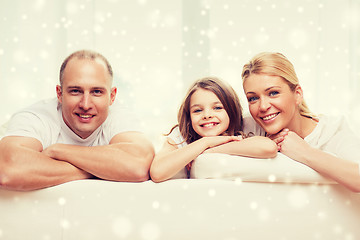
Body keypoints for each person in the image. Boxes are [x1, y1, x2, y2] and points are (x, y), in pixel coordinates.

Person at [0, 50, 155, 191]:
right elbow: (8, 171)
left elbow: (139, 167)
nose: (85, 104)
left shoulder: (119, 116)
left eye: (96, 92)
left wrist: (59, 151)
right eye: (75, 91)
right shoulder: (35, 117)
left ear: (112, 96)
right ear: (59, 94)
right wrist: (103, 169)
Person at [242, 51, 360, 192]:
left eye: (273, 93)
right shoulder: (250, 126)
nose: (262, 106)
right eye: (253, 98)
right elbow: (209, 145)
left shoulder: (332, 131)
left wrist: (304, 152)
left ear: (297, 94)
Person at [150, 77, 277, 182]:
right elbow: (157, 172)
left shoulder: (246, 125)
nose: (207, 115)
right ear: (189, 116)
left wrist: (211, 150)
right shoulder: (182, 134)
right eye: (197, 110)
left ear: (231, 110)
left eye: (217, 108)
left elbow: (269, 147)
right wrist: (205, 142)